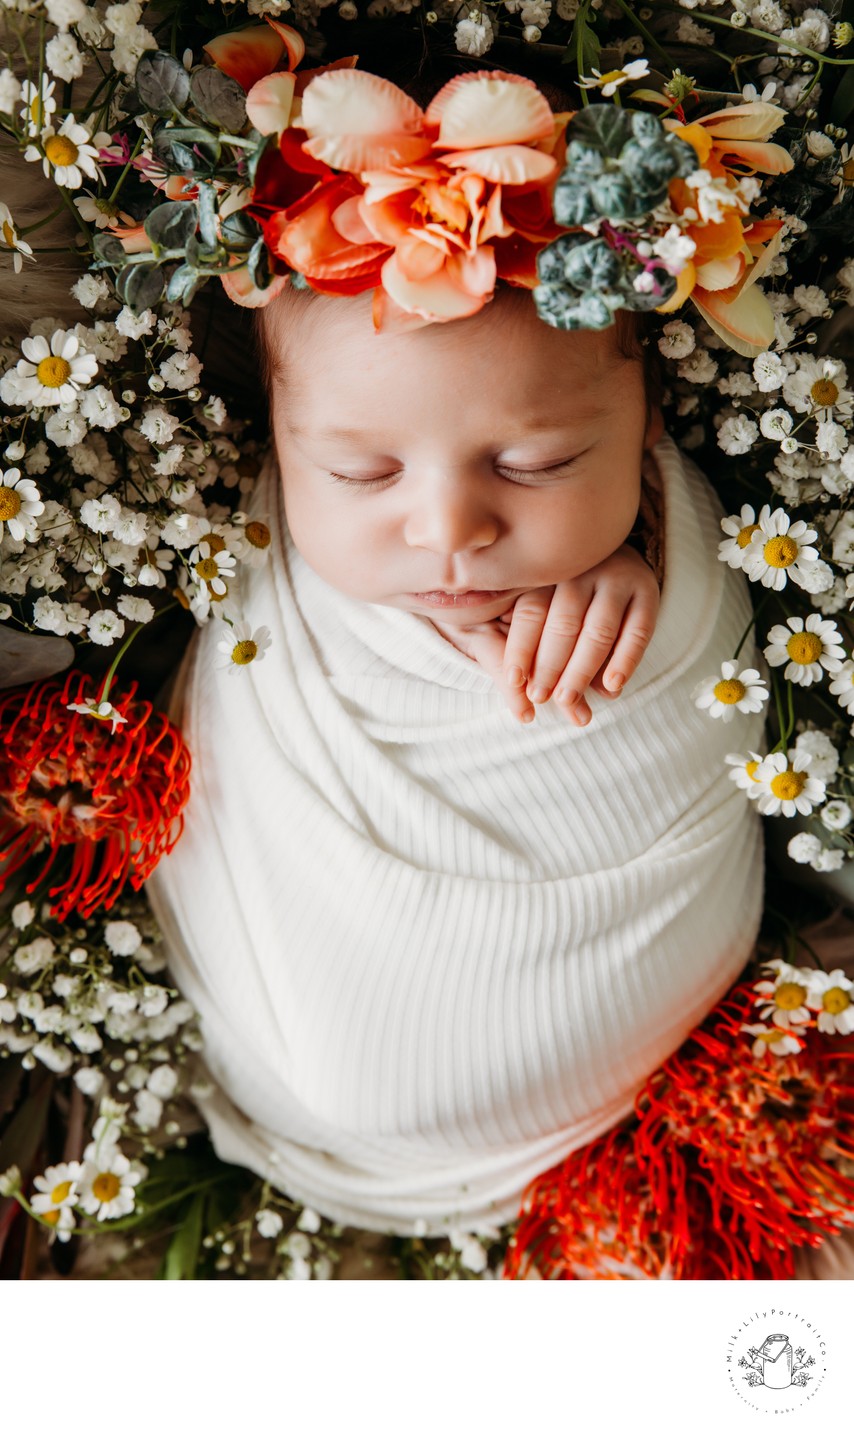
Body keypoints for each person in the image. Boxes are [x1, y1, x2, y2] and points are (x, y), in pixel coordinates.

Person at [145, 250, 769, 1246]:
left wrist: (654, 541)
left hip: (590, 1067)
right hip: (279, 1024)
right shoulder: (264, 552)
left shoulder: (676, 596)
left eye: (532, 464)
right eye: (360, 471)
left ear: (650, 411)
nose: (447, 532)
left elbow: (710, 687)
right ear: (275, 436)